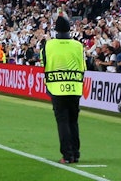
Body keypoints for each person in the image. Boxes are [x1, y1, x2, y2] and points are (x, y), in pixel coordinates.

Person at [44, 15, 85, 165]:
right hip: (75, 88)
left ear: (56, 30)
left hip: (57, 88)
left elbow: (45, 64)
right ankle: (75, 153)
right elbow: (83, 67)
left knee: (63, 122)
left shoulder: (49, 45)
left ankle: (67, 155)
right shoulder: (78, 45)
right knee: (73, 121)